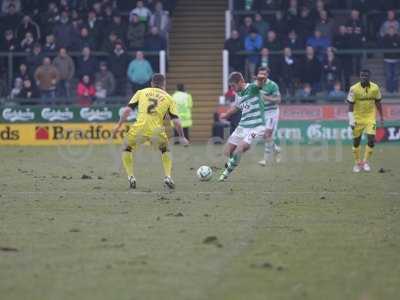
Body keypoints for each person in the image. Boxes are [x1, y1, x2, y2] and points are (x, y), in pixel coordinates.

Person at [113, 73, 189, 189]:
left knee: (126, 148)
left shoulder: (141, 92)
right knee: (165, 149)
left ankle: (131, 177)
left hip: (140, 128)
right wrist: (182, 137)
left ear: (151, 83)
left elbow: (127, 111)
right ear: (164, 84)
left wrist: (118, 126)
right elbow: (177, 121)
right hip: (156, 130)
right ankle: (168, 176)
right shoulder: (169, 98)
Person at [218, 71, 266, 182]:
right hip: (243, 126)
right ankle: (233, 161)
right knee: (227, 152)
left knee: (239, 149)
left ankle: (225, 174)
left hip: (257, 126)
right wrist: (226, 114)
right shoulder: (238, 94)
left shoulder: (253, 88)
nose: (232, 89)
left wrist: (260, 78)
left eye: (233, 86)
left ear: (240, 82)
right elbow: (236, 107)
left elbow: (260, 83)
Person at [347, 69, 384, 173]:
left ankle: (365, 162)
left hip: (370, 118)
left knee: (371, 140)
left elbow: (378, 103)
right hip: (357, 118)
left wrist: (381, 117)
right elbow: (350, 106)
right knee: (356, 142)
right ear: (360, 76)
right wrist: (351, 120)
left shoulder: (375, 88)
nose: (364, 77)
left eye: (366, 76)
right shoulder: (354, 89)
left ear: (369, 77)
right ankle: (357, 163)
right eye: (362, 75)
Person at [256, 67, 281, 166]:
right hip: (262, 112)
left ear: (267, 75)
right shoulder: (256, 84)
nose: (262, 76)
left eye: (264, 74)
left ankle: (265, 160)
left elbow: (278, 100)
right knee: (264, 135)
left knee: (268, 135)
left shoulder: (272, 85)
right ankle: (276, 149)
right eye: (260, 74)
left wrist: (266, 98)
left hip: (272, 112)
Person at [381, 26, 400, 94]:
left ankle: (395, 89)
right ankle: (389, 90)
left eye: (393, 30)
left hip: (396, 59)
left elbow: (397, 46)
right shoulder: (385, 38)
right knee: (388, 75)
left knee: (395, 75)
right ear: (388, 31)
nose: (391, 31)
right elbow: (384, 46)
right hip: (387, 59)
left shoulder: (398, 37)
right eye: (390, 30)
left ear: (395, 31)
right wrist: (393, 45)